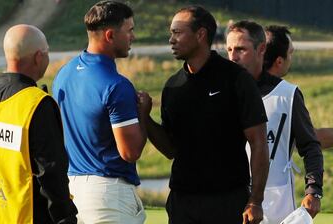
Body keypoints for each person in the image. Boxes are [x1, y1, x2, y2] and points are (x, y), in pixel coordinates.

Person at [141, 5, 269, 224]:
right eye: (171, 33)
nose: (171, 39)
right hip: (183, 202)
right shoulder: (173, 86)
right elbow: (171, 150)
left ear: (200, 34)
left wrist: (255, 201)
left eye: (177, 32)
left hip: (228, 201)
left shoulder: (236, 78)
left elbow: (258, 142)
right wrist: (145, 118)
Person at [0, 24, 78, 224]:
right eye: (47, 52)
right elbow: (51, 174)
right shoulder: (37, 103)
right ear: (39, 56)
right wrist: (65, 218)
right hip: (27, 218)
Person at [52, 1, 149, 223]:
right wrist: (143, 113)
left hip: (72, 189)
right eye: (129, 30)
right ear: (110, 35)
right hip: (108, 195)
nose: (133, 37)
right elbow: (130, 152)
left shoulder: (63, 74)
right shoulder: (116, 85)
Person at [226, 21, 324, 224]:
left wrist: (313, 191)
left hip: (276, 205)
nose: (233, 57)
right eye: (229, 50)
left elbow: (310, 145)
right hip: (227, 200)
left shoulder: (288, 94)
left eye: (240, 49)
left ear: (260, 50)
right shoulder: (220, 92)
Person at [264, 25, 333, 150]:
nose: (291, 58)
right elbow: (314, 138)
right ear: (279, 61)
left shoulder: (242, 87)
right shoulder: (287, 96)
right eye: (290, 53)